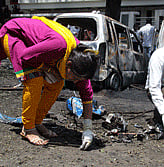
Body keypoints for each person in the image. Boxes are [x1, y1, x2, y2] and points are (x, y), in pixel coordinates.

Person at [0, 16, 98, 150]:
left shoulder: (79, 62)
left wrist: (87, 129)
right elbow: (25, 56)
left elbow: (87, 98)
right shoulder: (58, 47)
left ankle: (37, 121)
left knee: (57, 83)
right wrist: (47, 68)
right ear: (68, 64)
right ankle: (28, 128)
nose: (75, 82)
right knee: (34, 79)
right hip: (16, 35)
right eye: (74, 77)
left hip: (36, 49)